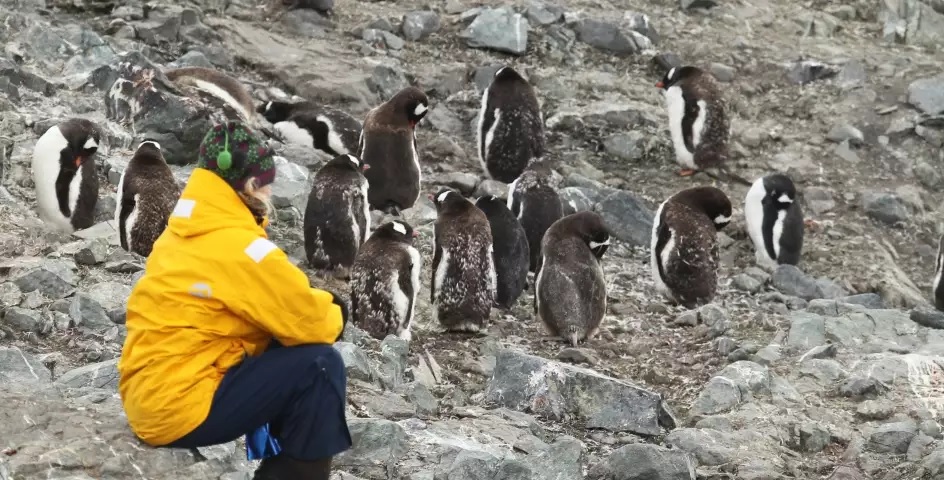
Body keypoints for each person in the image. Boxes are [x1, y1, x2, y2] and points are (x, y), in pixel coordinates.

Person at [117, 121, 352, 480]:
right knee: (319, 366)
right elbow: (313, 321)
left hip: (147, 398)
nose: (270, 191)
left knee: (275, 337)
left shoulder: (182, 232)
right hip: (181, 409)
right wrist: (337, 308)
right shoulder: (242, 248)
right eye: (267, 182)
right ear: (250, 185)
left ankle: (274, 461)